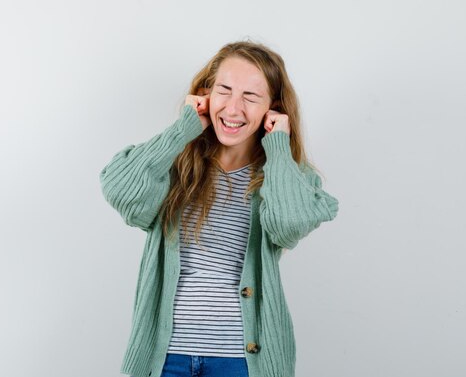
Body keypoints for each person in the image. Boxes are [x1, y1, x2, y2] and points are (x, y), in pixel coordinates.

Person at [99, 40, 339, 377]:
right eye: (224, 90)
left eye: (251, 97)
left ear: (274, 109)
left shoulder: (283, 178)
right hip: (167, 357)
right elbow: (121, 191)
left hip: (241, 362)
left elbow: (289, 225)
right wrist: (183, 129)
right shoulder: (175, 167)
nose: (233, 108)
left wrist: (279, 149)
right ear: (206, 93)